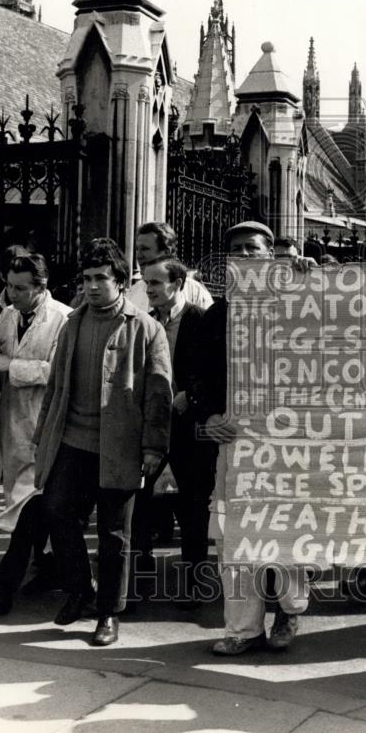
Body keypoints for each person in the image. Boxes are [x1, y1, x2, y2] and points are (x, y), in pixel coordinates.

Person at [33, 238, 172, 646]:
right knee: (57, 511)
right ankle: (80, 589)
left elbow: (159, 395)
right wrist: (43, 435)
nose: (93, 286)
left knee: (114, 534)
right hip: (72, 440)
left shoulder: (146, 328)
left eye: (101, 278)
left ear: (122, 282)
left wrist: (153, 447)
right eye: (87, 278)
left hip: (120, 446)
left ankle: (108, 613)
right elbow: (57, 386)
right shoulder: (73, 322)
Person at [195, 221, 311, 655]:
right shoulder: (218, 315)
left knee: (284, 529)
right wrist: (209, 417)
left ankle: (288, 610)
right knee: (233, 532)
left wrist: (307, 279)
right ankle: (243, 628)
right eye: (237, 250)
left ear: (271, 254)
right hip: (238, 440)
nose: (245, 256)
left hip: (287, 440)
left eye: (253, 249)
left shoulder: (296, 304)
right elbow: (200, 375)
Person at [0, 254, 71, 615]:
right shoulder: (8, 315)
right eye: (9, 285)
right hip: (13, 424)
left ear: (40, 287)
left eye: (19, 288)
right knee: (31, 505)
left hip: (46, 425)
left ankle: (5, 584)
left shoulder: (62, 318)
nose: (10, 293)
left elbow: (59, 372)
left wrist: (12, 365)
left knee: (29, 505)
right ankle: (51, 569)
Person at [140, 257, 215, 607]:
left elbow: (216, 370)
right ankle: (139, 580)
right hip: (153, 426)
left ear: (177, 283)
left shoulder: (201, 321)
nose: (149, 290)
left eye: (156, 283)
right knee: (140, 504)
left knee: (193, 508)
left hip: (190, 428)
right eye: (146, 283)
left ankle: (195, 582)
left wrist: (192, 396)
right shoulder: (147, 323)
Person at [125, 221, 213, 313]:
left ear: (167, 252)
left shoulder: (194, 292)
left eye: (145, 249)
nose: (138, 256)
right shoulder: (132, 293)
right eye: (137, 249)